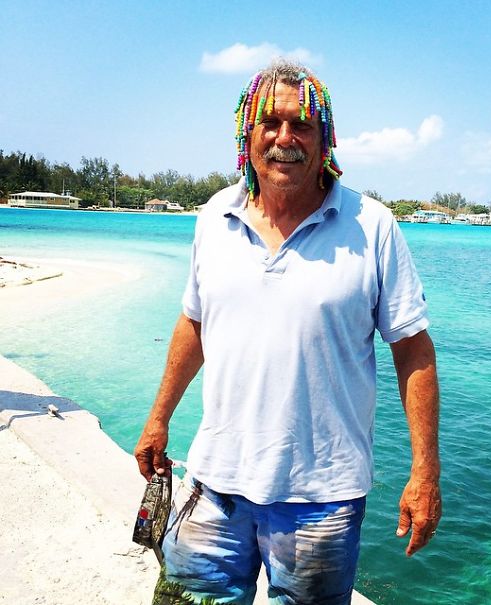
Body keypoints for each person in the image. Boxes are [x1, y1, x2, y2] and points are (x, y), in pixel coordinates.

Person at [135, 59, 441, 605]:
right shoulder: (216, 215)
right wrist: (158, 419)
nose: (284, 138)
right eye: (270, 123)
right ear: (246, 133)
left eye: (301, 125)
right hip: (213, 483)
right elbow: (194, 323)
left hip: (323, 499)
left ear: (325, 140)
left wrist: (425, 472)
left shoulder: (372, 226)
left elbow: (413, 351)